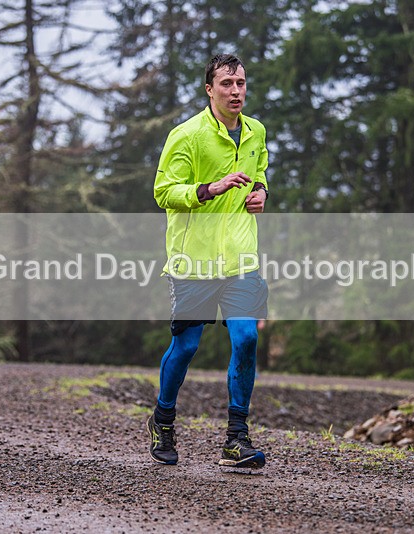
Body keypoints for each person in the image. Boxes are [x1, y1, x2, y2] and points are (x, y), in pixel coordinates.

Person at [147, 54, 270, 468]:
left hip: (241, 258)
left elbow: (261, 171)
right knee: (187, 346)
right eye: (226, 84)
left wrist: (261, 194)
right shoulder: (187, 135)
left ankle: (236, 439)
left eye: (240, 83)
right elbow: (164, 192)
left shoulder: (255, 132)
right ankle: (163, 419)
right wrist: (209, 188)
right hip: (194, 261)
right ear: (209, 89)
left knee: (247, 339)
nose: (236, 91)